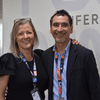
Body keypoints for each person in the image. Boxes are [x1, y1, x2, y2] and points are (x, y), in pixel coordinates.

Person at [41, 10, 100, 100]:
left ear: (71, 29)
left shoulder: (85, 55)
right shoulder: (45, 56)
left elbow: (95, 90)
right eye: (56, 25)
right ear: (50, 29)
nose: (60, 29)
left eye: (64, 25)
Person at [0, 18, 48, 100]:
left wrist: (72, 43)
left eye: (29, 32)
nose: (25, 37)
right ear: (15, 38)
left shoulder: (41, 55)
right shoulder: (9, 60)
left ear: (34, 35)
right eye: (20, 34)